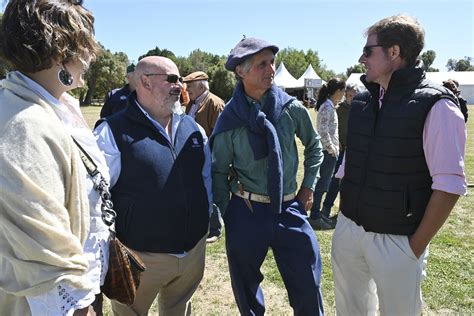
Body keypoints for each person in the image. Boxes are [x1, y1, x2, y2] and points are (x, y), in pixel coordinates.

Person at [332, 15, 467, 315]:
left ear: (394, 52)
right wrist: (345, 221)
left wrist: (412, 249)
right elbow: (350, 162)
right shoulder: (363, 102)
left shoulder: (438, 105)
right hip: (349, 231)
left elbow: (449, 186)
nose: (361, 58)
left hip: (398, 240)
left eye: (368, 51)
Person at [0, 0, 110, 315]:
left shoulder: (62, 107)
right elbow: (44, 263)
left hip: (84, 283)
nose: (91, 54)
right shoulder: (24, 124)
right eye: (86, 43)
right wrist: (81, 308)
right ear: (62, 51)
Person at [211, 37, 325, 315]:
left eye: (272, 62)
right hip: (247, 210)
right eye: (262, 64)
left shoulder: (291, 108)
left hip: (289, 208)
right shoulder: (229, 119)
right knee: (246, 288)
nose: (271, 69)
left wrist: (308, 188)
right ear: (241, 71)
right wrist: (230, 213)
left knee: (308, 283)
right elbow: (218, 170)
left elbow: (314, 147)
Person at [95, 56, 211, 315]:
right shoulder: (111, 132)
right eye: (171, 79)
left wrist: (205, 224)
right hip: (140, 259)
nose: (179, 86)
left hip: (192, 253)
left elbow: (205, 180)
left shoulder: (193, 129)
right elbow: (95, 199)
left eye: (180, 80)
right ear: (144, 82)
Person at [183, 71, 225, 243]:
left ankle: (215, 228)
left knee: (211, 189)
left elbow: (220, 135)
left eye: (190, 86)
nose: (187, 89)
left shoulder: (215, 103)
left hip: (210, 156)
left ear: (201, 85)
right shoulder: (191, 103)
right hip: (193, 156)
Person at [318, 83, 360, 226]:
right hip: (339, 150)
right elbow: (329, 129)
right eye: (348, 95)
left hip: (355, 151)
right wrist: (336, 146)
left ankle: (345, 211)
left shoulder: (361, 108)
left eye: (354, 95)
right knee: (333, 181)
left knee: (351, 182)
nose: (351, 97)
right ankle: (325, 209)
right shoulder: (338, 109)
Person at [308, 78, 346, 230]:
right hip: (327, 152)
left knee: (324, 184)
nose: (343, 94)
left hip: (330, 152)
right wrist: (332, 149)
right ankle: (315, 216)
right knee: (322, 184)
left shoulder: (330, 106)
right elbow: (323, 132)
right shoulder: (327, 107)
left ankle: (318, 214)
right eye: (343, 91)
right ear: (337, 91)